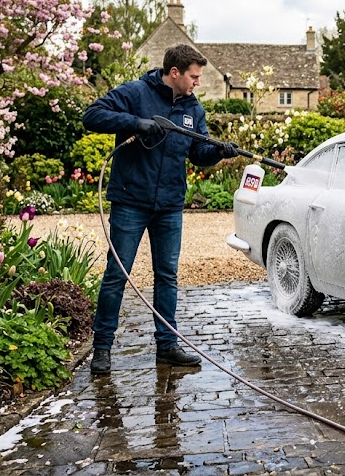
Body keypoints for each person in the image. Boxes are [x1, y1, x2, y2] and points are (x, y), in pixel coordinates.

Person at [83, 44, 238, 375]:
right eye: (194, 77)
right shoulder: (136, 93)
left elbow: (198, 152)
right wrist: (136, 123)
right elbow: (92, 115)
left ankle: (167, 346)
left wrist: (219, 152)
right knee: (116, 275)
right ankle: (102, 348)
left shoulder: (193, 109)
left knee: (166, 276)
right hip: (130, 201)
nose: (197, 82)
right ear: (175, 73)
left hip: (169, 205)